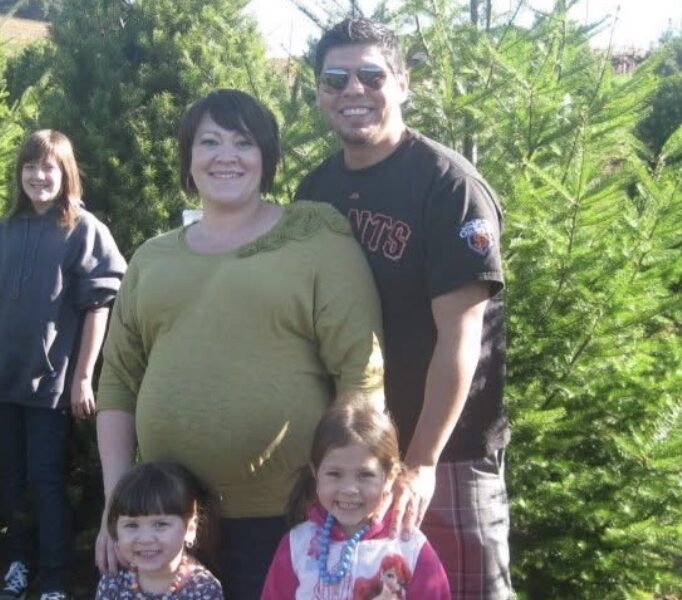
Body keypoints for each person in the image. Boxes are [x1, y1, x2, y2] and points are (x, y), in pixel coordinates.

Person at [95, 89, 385, 600]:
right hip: (167, 524)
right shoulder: (151, 258)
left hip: (289, 518)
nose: (225, 155)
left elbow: (360, 373)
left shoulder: (316, 239)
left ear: (267, 158)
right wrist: (115, 509)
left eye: (243, 142)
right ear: (188, 159)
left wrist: (351, 492)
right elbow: (118, 382)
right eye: (209, 142)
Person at [295, 18, 512, 599]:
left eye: (371, 75)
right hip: (351, 463)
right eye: (335, 79)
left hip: (446, 455)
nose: (353, 90)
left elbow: (462, 337)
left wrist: (420, 464)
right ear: (319, 92)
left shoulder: (448, 186)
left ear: (402, 83)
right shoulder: (315, 192)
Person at [0, 129, 127, 600]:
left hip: (48, 386)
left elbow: (98, 307)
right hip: (1, 379)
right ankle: (19, 564)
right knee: (13, 481)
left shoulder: (83, 229)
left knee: (45, 482)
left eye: (48, 167)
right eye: (30, 167)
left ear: (65, 173)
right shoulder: (3, 231)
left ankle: (55, 581)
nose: (38, 176)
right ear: (19, 174)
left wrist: (82, 377)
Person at [261, 405, 450, 599]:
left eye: (365, 475)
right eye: (335, 474)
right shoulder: (297, 545)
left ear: (390, 477)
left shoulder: (410, 547)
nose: (349, 489)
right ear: (315, 473)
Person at [95, 461, 225, 599]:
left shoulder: (202, 588)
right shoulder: (113, 583)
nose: (145, 539)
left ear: (190, 529)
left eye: (160, 524)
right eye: (132, 525)